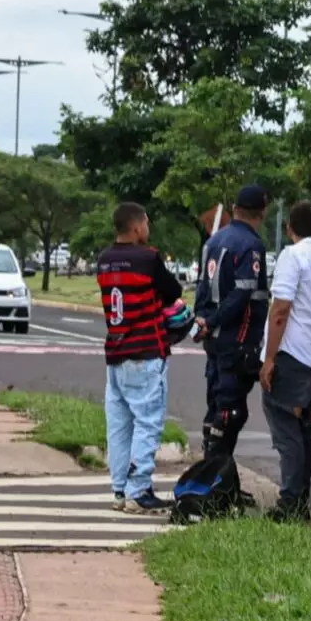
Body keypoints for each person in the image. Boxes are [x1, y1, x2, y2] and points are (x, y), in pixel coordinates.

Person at [259, 201, 311, 521]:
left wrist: (269, 357)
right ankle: (299, 502)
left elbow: (280, 309)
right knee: (302, 428)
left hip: (291, 354)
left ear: (289, 228)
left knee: (285, 426)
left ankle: (290, 502)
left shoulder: (293, 256)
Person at [96, 202, 183, 514]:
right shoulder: (147, 259)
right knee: (148, 422)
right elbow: (173, 290)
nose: (148, 228)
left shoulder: (104, 260)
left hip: (115, 352)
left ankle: (120, 489)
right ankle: (139, 490)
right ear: (136, 227)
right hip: (145, 352)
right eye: (146, 223)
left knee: (119, 426)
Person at [195, 184, 270, 460]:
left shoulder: (213, 241)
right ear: (262, 212)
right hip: (238, 338)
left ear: (235, 209)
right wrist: (214, 320)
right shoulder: (251, 245)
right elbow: (242, 294)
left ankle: (213, 468)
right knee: (230, 410)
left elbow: (201, 285)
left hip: (214, 338)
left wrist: (203, 320)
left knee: (216, 403)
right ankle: (216, 473)